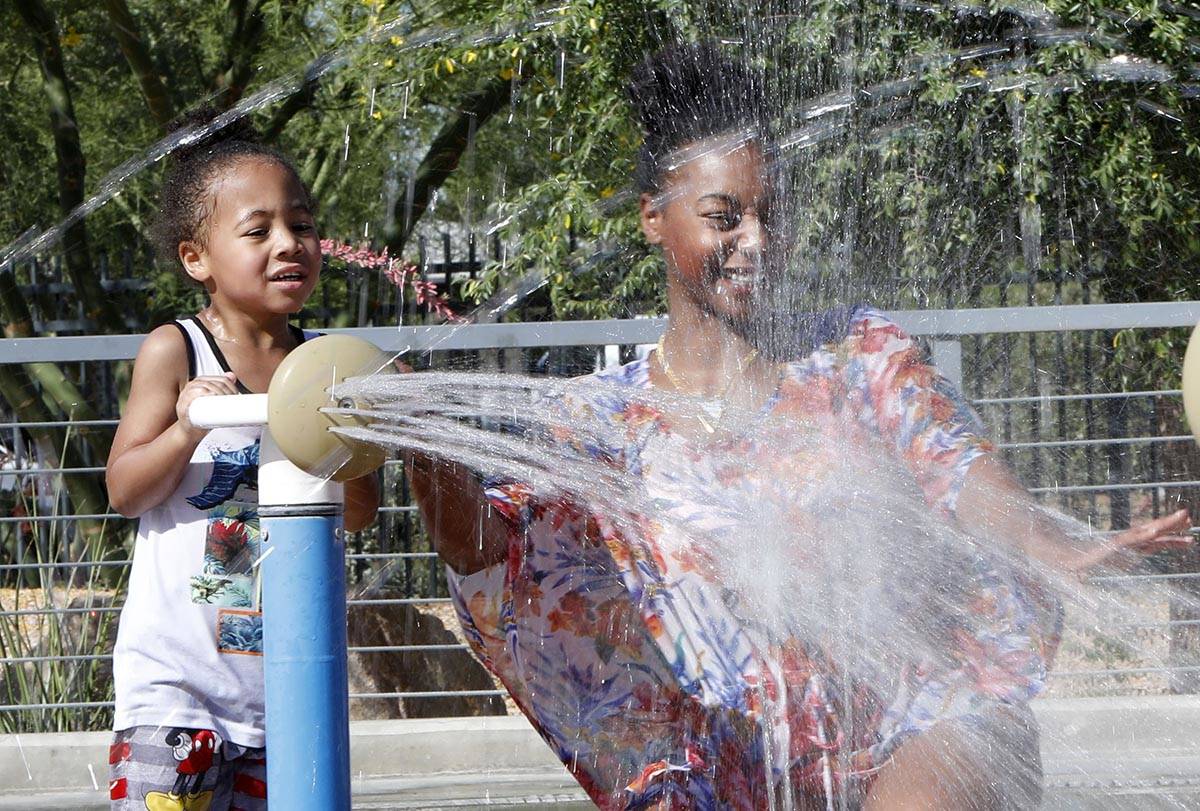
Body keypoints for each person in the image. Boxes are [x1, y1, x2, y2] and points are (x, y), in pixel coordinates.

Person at [409, 44, 1191, 810]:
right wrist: (415, 440)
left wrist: (1047, 541)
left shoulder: (854, 352)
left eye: (768, 215)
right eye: (724, 217)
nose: (755, 240)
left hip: (920, 714)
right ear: (654, 218)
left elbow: (956, 465)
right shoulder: (596, 425)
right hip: (734, 764)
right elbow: (490, 553)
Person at [104, 110, 379, 811]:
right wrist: (187, 426)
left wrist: (354, 435)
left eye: (303, 226)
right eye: (258, 231)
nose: (289, 244)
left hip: (288, 688)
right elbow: (125, 487)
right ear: (197, 257)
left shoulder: (323, 367)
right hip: (178, 693)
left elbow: (361, 509)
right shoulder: (177, 350)